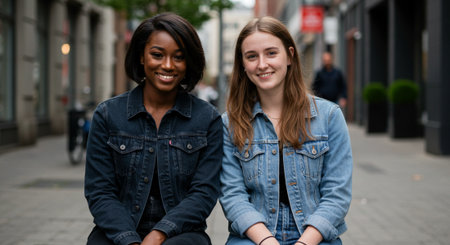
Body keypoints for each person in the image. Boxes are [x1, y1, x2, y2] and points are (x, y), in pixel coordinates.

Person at [84, 13, 223, 245]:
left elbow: (204, 194)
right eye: (157, 55)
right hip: (117, 231)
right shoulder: (108, 115)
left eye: (178, 57)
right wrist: (130, 239)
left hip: (182, 234)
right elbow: (100, 192)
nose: (167, 65)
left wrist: (160, 234)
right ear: (141, 56)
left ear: (188, 62)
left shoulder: (207, 119)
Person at [220, 16, 352, 245]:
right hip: (254, 235)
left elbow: (337, 194)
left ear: (290, 55)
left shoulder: (329, 117)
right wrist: (266, 241)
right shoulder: (229, 123)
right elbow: (232, 196)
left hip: (314, 234)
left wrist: (304, 242)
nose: (262, 64)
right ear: (242, 64)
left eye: (271, 53)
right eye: (252, 56)